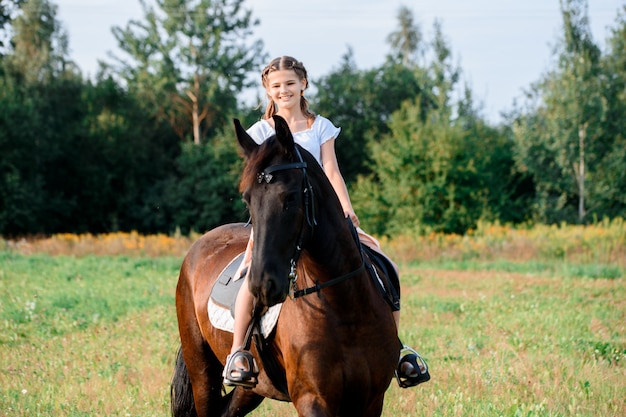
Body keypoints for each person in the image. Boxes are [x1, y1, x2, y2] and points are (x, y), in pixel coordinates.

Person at [223, 56, 430, 389]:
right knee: (250, 274)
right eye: (276, 86)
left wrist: (347, 210)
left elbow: (331, 170)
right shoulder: (261, 132)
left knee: (384, 263)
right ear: (267, 90)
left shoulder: (319, 126)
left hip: (323, 218)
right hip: (279, 221)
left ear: (303, 84)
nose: (284, 90)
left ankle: (396, 349)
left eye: (290, 83)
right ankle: (238, 352)